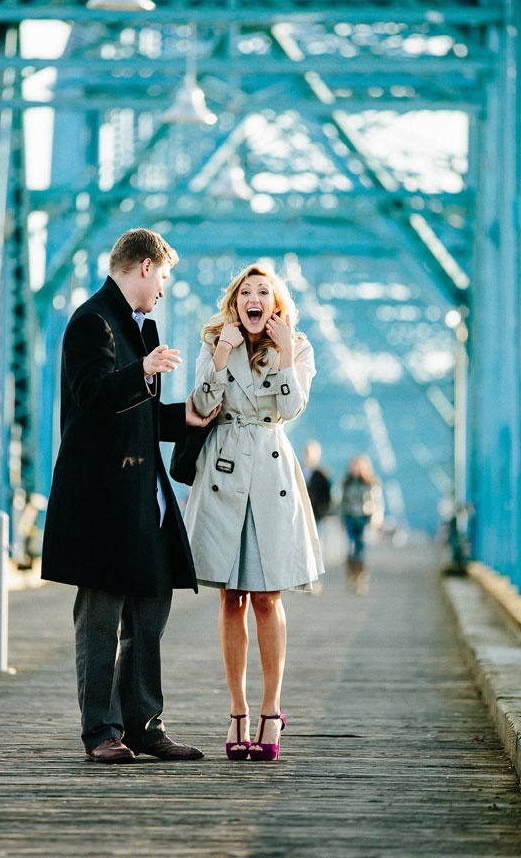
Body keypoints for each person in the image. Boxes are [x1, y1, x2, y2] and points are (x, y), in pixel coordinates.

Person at [41, 228, 218, 764]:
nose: (164, 288)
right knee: (100, 617)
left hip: (144, 497)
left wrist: (178, 417)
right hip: (104, 500)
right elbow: (92, 399)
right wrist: (141, 371)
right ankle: (100, 732)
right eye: (163, 276)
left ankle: (143, 726)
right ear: (144, 267)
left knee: (149, 612)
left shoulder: (140, 327)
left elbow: (132, 418)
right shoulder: (92, 321)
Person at [184, 263, 324, 762]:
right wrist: (221, 355)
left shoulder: (297, 346)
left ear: (277, 303)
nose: (254, 298)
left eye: (264, 291)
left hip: (268, 473)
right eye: (246, 291)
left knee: (267, 596)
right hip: (224, 471)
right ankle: (237, 710)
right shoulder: (214, 342)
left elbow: (289, 409)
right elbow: (201, 404)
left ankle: (271, 708)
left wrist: (285, 355)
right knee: (230, 598)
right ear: (235, 302)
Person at [340, 454, 383, 595]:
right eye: (354, 466)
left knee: (361, 549)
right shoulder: (347, 482)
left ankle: (361, 578)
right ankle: (352, 575)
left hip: (364, 519)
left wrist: (376, 518)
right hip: (350, 518)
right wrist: (342, 519)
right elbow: (342, 503)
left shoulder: (371, 483)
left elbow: (377, 502)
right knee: (351, 548)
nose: (356, 469)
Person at [303, 440, 332, 521]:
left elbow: (327, 495)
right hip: (302, 511)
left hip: (316, 513)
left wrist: (322, 511)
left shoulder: (322, 474)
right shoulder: (298, 471)